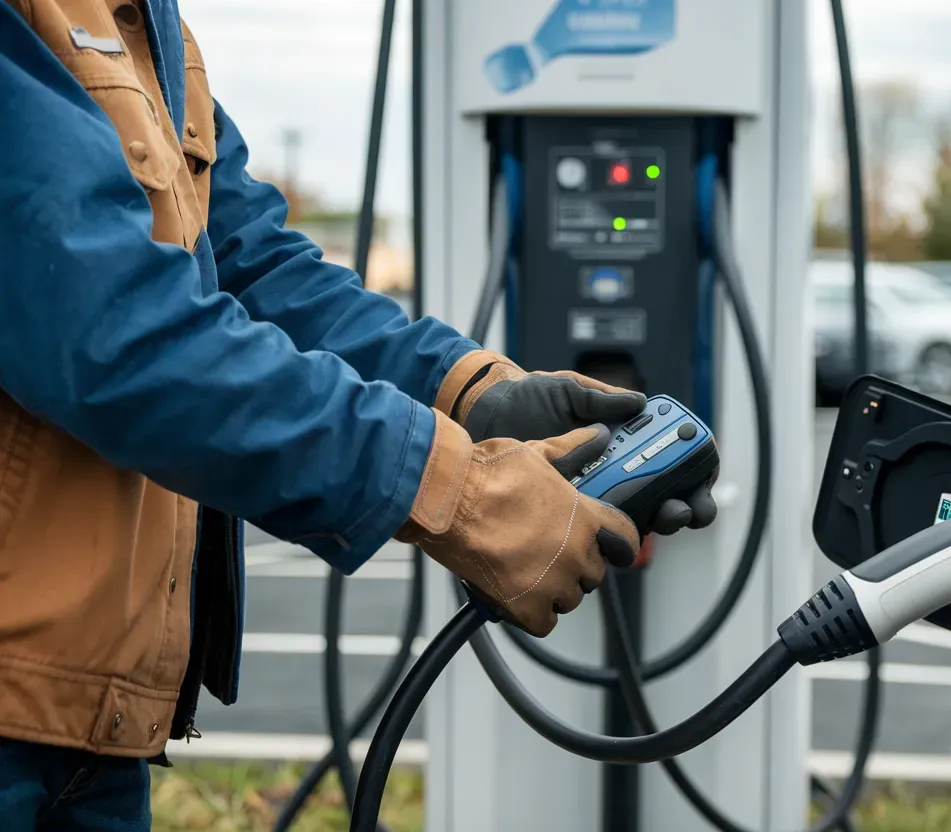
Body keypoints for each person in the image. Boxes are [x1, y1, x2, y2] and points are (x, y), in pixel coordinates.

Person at [0, 2, 718, 829]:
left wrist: (473, 396)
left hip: (86, 722)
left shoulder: (145, 22)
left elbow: (249, 269)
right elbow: (104, 323)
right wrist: (459, 495)